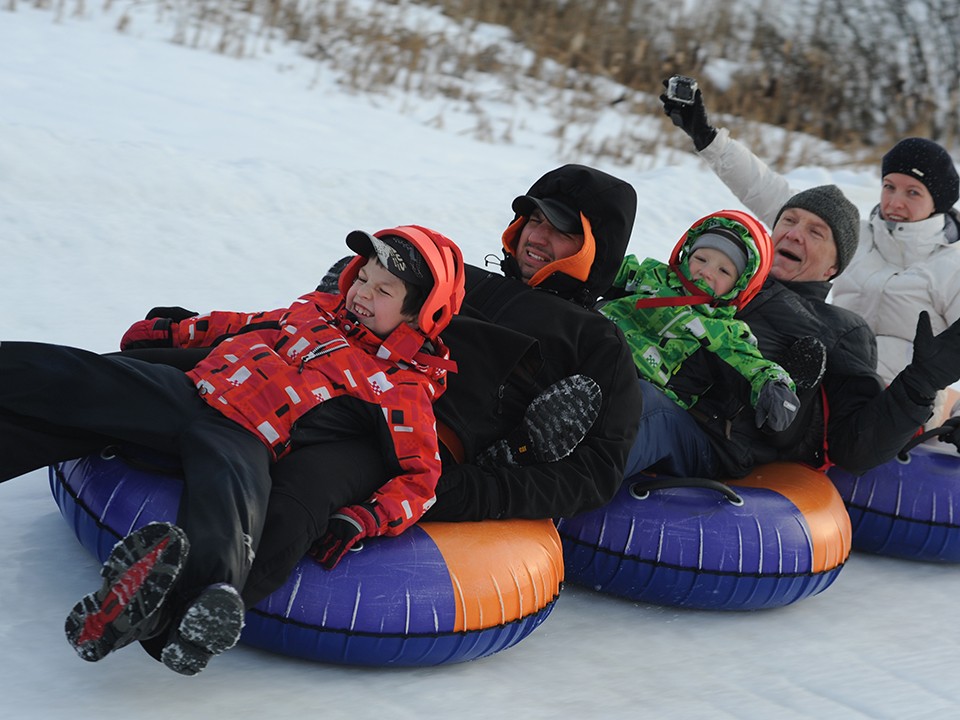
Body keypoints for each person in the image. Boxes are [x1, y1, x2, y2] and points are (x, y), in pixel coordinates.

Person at [116, 164, 643, 607]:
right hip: (329, 377)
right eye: (533, 218)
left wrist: (451, 490)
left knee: (301, 488)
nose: (536, 235)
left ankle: (195, 597)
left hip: (416, 439)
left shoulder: (596, 342)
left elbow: (594, 475)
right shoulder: (461, 276)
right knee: (156, 373)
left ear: (595, 250)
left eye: (560, 230)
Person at [0, 224, 465, 675]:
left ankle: (189, 614)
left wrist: (366, 517)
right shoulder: (315, 309)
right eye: (362, 278)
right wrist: (173, 332)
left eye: (384, 291)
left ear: (418, 314)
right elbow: (240, 324)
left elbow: (421, 477)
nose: (363, 293)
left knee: (229, 516)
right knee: (76, 374)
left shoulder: (402, 385)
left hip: (246, 438)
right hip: (189, 391)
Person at [660, 78, 960, 429]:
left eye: (913, 193)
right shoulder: (853, 238)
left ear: (937, 204)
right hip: (834, 383)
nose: (895, 202)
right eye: (889, 187)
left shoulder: (951, 264)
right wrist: (707, 137)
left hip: (902, 402)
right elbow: (767, 190)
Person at [611, 179, 960, 481]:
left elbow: (854, 447)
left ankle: (559, 487)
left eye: (815, 232)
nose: (793, 234)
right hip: (634, 374)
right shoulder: (717, 272)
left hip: (706, 434)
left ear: (834, 266)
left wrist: (920, 383)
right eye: (789, 221)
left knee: (639, 403)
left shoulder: (840, 328)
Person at [600, 209, 801, 440]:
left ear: (739, 286)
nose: (706, 272)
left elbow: (752, 363)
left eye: (723, 270)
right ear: (687, 254)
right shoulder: (650, 275)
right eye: (701, 259)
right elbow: (605, 267)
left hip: (639, 387)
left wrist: (773, 385)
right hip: (597, 345)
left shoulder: (723, 331)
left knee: (634, 401)